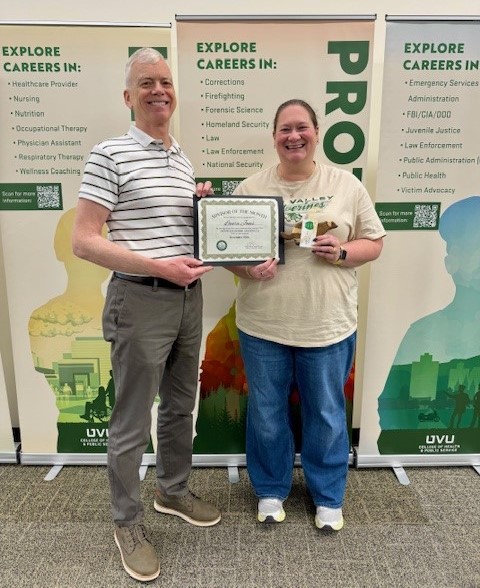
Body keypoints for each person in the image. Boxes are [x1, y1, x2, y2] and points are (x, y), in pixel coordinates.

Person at [72, 47, 220, 583]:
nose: (159, 89)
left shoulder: (180, 158)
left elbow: (174, 231)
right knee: (131, 421)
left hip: (188, 299)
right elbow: (85, 241)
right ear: (128, 97)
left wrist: (199, 204)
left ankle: (172, 491)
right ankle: (126, 523)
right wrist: (159, 264)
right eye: (147, 82)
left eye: (165, 80)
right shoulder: (109, 153)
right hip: (139, 300)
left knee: (181, 407)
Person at [227, 99, 385, 531]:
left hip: (327, 323)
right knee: (265, 411)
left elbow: (374, 242)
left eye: (302, 128)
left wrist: (343, 252)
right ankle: (271, 489)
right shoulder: (250, 188)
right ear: (273, 137)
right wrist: (247, 267)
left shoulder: (346, 185)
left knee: (327, 414)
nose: (293, 136)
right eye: (284, 129)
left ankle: (328, 495)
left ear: (317, 132)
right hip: (263, 324)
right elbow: (227, 253)